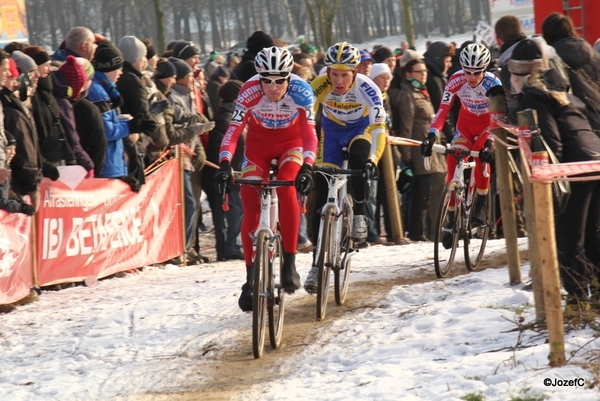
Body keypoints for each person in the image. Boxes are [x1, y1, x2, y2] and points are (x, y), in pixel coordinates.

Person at [214, 46, 318, 311]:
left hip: (291, 144)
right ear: (259, 78)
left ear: (288, 77)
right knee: (249, 199)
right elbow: (233, 131)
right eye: (267, 81)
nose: (273, 87)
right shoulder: (248, 91)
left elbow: (309, 135)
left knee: (286, 187)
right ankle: (250, 279)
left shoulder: (302, 91)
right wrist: (225, 163)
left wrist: (307, 166)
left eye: (279, 80)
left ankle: (290, 265)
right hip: (258, 146)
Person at [508, 39, 600, 306]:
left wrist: (551, 178)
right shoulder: (561, 92)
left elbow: (551, 140)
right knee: (592, 233)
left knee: (569, 237)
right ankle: (594, 294)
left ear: (521, 75)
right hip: (594, 160)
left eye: (513, 74)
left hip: (573, 168)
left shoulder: (532, 96)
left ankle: (578, 299)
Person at [303, 42, 386, 292]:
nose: (338, 81)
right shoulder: (318, 86)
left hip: (361, 130)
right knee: (320, 193)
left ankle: (359, 213)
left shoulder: (368, 88)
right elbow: (305, 121)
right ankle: (317, 264)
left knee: (361, 157)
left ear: (355, 72)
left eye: (344, 75)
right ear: (327, 72)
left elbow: (380, 127)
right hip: (331, 131)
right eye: (334, 74)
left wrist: (374, 160)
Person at [421, 43, 501, 248]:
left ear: (484, 69)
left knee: (480, 158)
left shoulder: (494, 84)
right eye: (467, 72)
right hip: (465, 125)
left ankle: (481, 205)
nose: (471, 77)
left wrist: (489, 144)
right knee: (453, 154)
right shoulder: (456, 80)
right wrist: (431, 134)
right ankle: (451, 216)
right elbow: (442, 110)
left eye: (476, 72)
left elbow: (497, 119)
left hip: (486, 127)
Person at [396, 57, 445, 241]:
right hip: (418, 150)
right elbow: (406, 126)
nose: (423, 74)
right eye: (418, 71)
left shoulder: (422, 91)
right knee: (420, 194)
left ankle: (430, 230)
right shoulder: (407, 94)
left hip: (432, 149)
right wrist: (407, 156)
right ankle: (417, 232)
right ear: (408, 74)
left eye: (424, 71)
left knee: (431, 192)